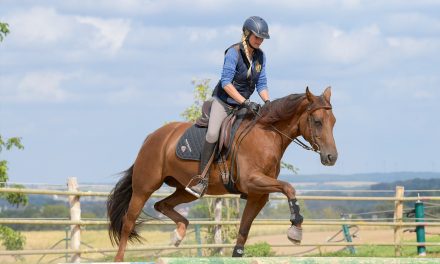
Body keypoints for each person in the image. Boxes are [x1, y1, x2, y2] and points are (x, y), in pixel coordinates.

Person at [185, 16, 271, 198]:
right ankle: (201, 180)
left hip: (243, 104)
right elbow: (226, 83)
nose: (260, 41)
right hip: (224, 102)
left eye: (262, 38)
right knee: (213, 134)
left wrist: (268, 102)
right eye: (257, 37)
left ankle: (246, 180)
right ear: (247, 34)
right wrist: (245, 102)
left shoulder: (260, 56)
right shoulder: (233, 53)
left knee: (251, 135)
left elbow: (261, 83)